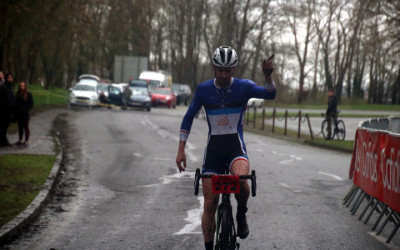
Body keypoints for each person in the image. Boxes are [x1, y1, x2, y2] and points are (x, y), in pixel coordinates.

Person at [175, 46, 276, 250]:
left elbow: (270, 94)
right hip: (213, 152)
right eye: (220, 70)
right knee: (210, 202)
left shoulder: (244, 87)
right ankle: (209, 246)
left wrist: (268, 77)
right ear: (213, 67)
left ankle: (241, 213)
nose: (223, 74)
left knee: (240, 181)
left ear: (234, 69)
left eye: (228, 70)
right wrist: (181, 149)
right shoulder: (204, 90)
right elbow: (188, 118)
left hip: (235, 149)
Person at [14, 81, 34, 146]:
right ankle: (20, 140)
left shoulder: (28, 94)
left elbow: (31, 104)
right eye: (21, 85)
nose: (22, 87)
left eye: (23, 85)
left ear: (25, 86)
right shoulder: (17, 94)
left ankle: (26, 141)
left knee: (26, 127)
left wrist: (25, 108)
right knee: (20, 128)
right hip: (18, 114)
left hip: (25, 114)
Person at [0, 73, 16, 146]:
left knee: (6, 126)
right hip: (4, 110)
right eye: (8, 77)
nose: (10, 79)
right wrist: (7, 103)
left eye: (11, 77)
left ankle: (4, 140)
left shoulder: (11, 87)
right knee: (3, 126)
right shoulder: (3, 87)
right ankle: (2, 141)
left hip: (10, 110)